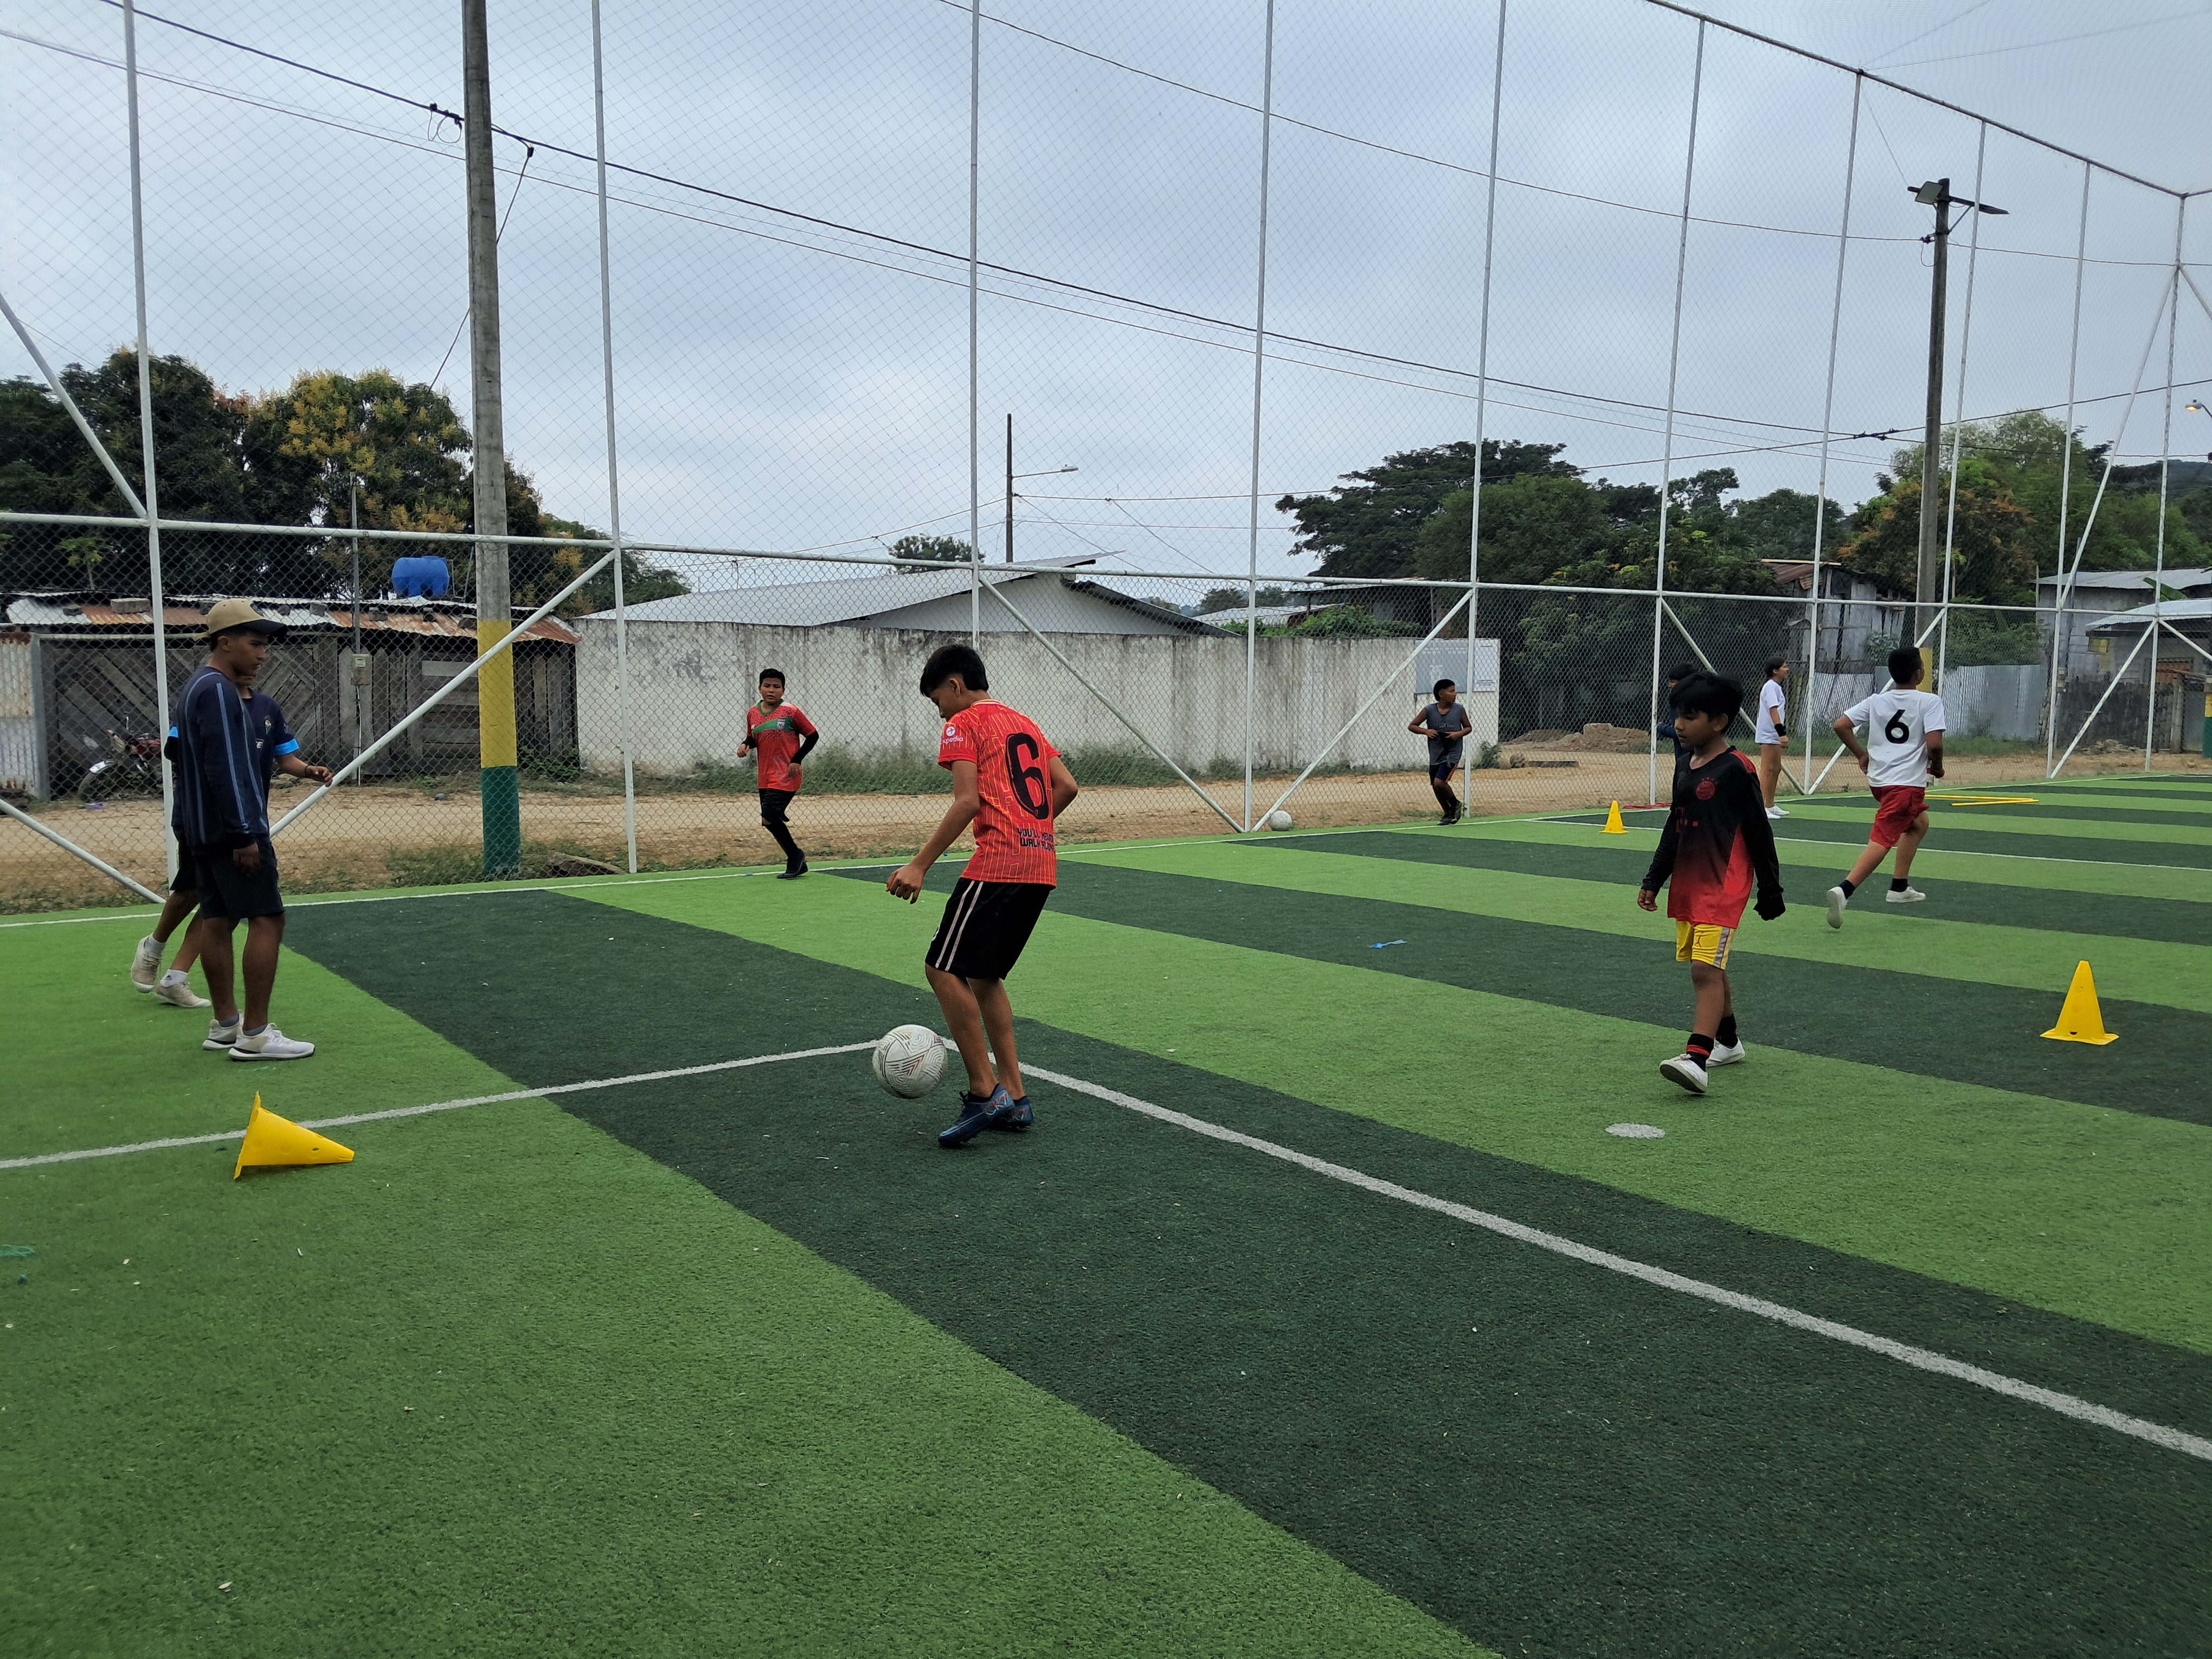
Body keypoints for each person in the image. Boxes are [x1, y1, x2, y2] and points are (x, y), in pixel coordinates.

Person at [886, 644, 1078, 1148]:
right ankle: (1016, 1095)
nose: (941, 713)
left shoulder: (964, 722)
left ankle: (983, 1091)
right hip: (1040, 864)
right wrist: (1031, 826)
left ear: (954, 685)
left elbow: (967, 801)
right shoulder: (1024, 722)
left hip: (999, 864)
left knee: (940, 968)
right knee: (983, 975)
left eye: (938, 701)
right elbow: (1067, 786)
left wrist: (918, 865)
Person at [172, 599, 332, 1060]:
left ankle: (226, 1025)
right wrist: (244, 834)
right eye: (255, 644)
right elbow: (226, 768)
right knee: (268, 918)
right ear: (225, 643)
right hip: (234, 830)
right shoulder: (220, 692)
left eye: (265, 646)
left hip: (202, 830)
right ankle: (256, 1034)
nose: (263, 654)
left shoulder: (195, 688)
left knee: (217, 920)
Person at [1636, 672, 1784, 1096]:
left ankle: (1697, 1058)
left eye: (1690, 716)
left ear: (1719, 722)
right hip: (1690, 881)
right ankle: (1729, 1042)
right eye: (1677, 715)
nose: (1679, 725)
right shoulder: (1685, 766)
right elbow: (1675, 825)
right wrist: (1655, 878)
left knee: (1704, 969)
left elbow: (1758, 830)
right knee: (1710, 966)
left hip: (1724, 883)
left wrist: (1770, 888)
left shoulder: (1737, 769)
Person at [1824, 646, 1945, 928]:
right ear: (1920, 674)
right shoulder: (1929, 701)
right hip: (1906, 784)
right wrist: (1937, 767)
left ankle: (1899, 887)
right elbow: (1935, 745)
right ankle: (1844, 890)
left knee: (1918, 824)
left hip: (1880, 782)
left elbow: (1841, 725)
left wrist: (1861, 755)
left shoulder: (1877, 700)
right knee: (1883, 838)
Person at [741, 668, 819, 879]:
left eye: (777, 687)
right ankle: (796, 857)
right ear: (760, 688)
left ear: (783, 691)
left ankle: (795, 857)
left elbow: (813, 735)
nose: (771, 690)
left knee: (769, 816)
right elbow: (753, 737)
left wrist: (797, 760)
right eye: (767, 686)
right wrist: (745, 745)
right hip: (765, 777)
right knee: (768, 820)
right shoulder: (753, 713)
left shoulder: (790, 712)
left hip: (786, 774)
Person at [1409, 679, 1474, 824]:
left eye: (1455, 691)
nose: (1455, 694)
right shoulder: (1429, 710)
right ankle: (1448, 814)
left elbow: (1468, 728)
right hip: (1436, 753)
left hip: (1452, 753)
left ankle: (1455, 804)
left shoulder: (1459, 709)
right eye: (1452, 691)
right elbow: (1412, 726)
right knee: (1435, 785)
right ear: (1441, 694)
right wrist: (1426, 732)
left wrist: (1458, 734)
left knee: (1440, 782)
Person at [1754, 657, 1791, 819]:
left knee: (1776, 769)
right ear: (1775, 671)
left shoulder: (1776, 687)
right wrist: (1781, 733)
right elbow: (1773, 711)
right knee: (1768, 769)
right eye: (1784, 667)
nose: (1787, 669)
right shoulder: (1770, 687)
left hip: (1774, 734)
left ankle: (1770, 804)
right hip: (1769, 734)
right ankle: (1760, 807)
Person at [1655, 661, 1699, 764]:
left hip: (1691, 758)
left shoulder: (1682, 704)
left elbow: (1682, 732)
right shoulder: (1679, 701)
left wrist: (1661, 728)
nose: (1669, 685)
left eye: (1673, 681)